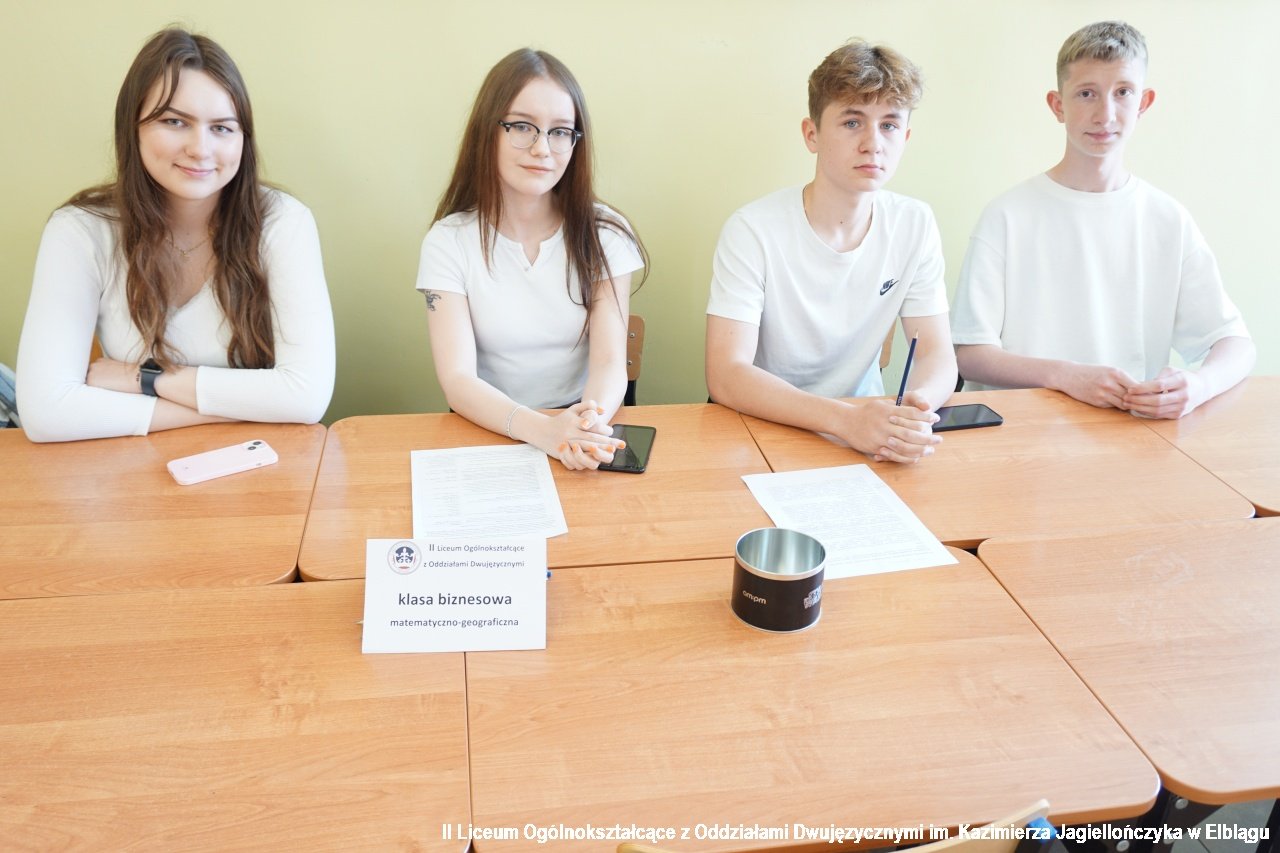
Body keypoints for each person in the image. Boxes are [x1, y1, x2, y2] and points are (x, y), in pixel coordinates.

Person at [15, 29, 334, 444]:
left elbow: (306, 396)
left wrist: (145, 378)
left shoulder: (283, 222)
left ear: (243, 139)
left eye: (222, 128)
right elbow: (45, 413)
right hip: (129, 463)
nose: (200, 148)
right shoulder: (81, 230)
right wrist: (236, 412)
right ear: (132, 127)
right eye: (174, 121)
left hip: (262, 460)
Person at [951, 21, 1254, 418]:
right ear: (1058, 105)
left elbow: (1235, 343)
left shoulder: (1167, 220)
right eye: (1086, 93)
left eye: (1123, 92)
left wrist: (1199, 385)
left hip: (1129, 428)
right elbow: (970, 354)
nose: (1105, 114)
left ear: (1144, 103)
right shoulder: (1007, 216)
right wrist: (1065, 376)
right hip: (1023, 432)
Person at [705, 39, 957, 465]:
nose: (873, 143)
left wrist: (915, 410)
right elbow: (726, 374)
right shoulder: (752, 229)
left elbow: (937, 353)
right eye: (852, 122)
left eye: (890, 125)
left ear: (906, 137)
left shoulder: (915, 223)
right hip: (762, 425)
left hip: (866, 432)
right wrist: (844, 421)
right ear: (812, 134)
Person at [417, 48, 647, 471]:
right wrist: (543, 431)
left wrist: (586, 426)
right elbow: (458, 379)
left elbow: (610, 361)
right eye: (522, 126)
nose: (543, 148)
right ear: (488, 131)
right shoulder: (448, 241)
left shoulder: (606, 233)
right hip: (489, 424)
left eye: (560, 132)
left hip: (583, 422)